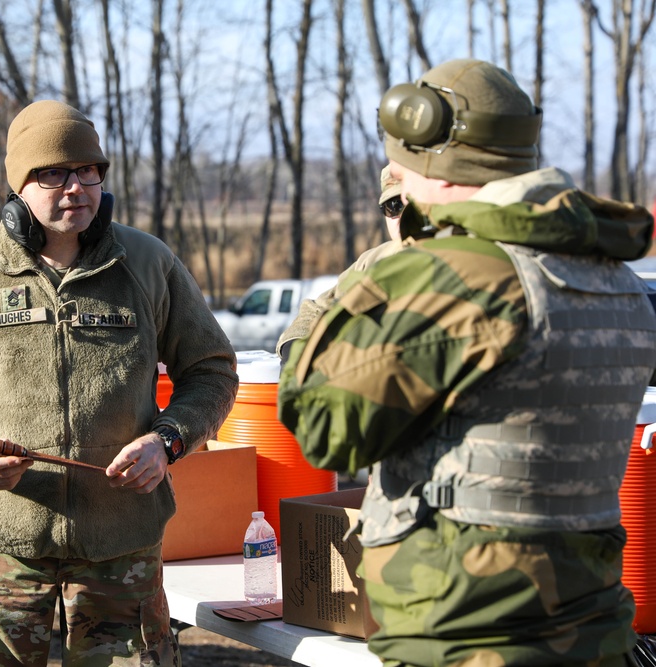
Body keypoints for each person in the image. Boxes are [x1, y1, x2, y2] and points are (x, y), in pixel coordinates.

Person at [278, 58, 656, 666]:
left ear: (437, 160)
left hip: (470, 635)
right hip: (589, 623)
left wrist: (349, 309)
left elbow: (323, 427)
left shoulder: (458, 280)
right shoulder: (611, 277)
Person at [0, 99, 238, 667]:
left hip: (122, 556)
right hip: (1, 554)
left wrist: (169, 440)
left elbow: (211, 369)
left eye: (89, 171)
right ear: (19, 186)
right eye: (53, 174)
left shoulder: (147, 265)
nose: (77, 188)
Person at [276, 164, 405, 363]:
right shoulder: (372, 260)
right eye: (393, 206)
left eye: (412, 204)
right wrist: (295, 351)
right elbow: (316, 311)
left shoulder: (457, 257)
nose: (403, 216)